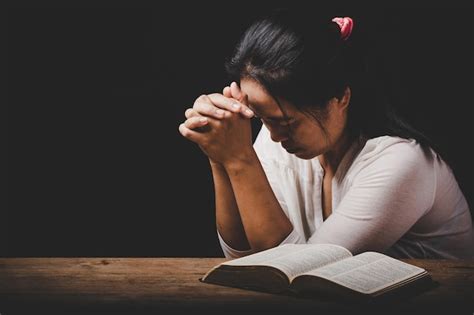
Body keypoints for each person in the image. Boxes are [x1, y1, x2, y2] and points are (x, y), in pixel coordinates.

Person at [178, 9, 474, 259]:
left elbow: (291, 270)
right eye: (263, 119)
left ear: (340, 97)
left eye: (287, 122)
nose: (274, 135)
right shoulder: (278, 140)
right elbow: (242, 258)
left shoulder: (402, 163)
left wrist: (239, 159)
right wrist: (219, 152)